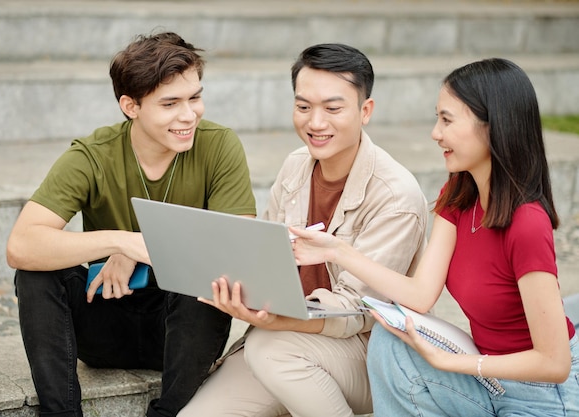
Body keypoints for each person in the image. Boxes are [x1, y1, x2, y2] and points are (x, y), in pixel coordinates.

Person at [291, 57, 579, 416]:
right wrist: (337, 251)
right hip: (488, 376)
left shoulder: (526, 224)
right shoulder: (459, 195)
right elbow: (421, 295)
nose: (435, 133)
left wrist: (452, 362)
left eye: (446, 120)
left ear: (493, 126)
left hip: (543, 393)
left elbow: (554, 363)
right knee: (391, 339)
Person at [6, 31, 256, 417]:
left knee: (209, 279)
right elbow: (21, 245)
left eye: (195, 98)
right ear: (130, 105)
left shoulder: (219, 145)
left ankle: (168, 413)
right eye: (170, 103)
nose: (189, 114)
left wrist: (145, 250)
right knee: (35, 273)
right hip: (103, 317)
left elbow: (238, 248)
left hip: (180, 331)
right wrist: (121, 242)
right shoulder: (92, 154)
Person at [179, 43, 428, 416]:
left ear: (365, 111)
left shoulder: (396, 196)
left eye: (332, 108)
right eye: (303, 107)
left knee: (271, 349)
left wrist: (277, 322)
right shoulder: (296, 166)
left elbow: (356, 314)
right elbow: (265, 257)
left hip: (371, 355)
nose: (315, 123)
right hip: (285, 340)